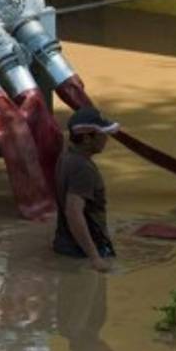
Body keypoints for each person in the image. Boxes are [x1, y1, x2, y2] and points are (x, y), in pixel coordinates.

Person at [53, 107, 119, 272]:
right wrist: (95, 258)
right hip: (81, 254)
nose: (106, 138)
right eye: (102, 133)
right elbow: (74, 213)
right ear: (87, 138)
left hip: (63, 246)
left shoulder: (66, 156)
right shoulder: (83, 168)